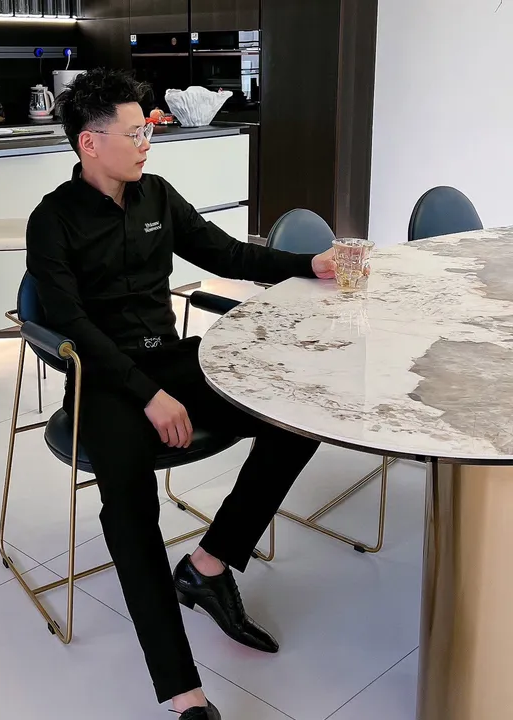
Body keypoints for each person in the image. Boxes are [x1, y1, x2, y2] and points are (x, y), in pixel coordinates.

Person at [26, 68, 336, 719]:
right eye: (135, 133)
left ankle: (209, 564)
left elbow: (227, 255)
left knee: (295, 416)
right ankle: (184, 694)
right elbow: (71, 322)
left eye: (148, 131)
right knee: (131, 512)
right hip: (103, 382)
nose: (147, 143)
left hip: (173, 360)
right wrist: (148, 395)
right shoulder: (52, 221)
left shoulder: (158, 197)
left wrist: (305, 265)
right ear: (89, 142)